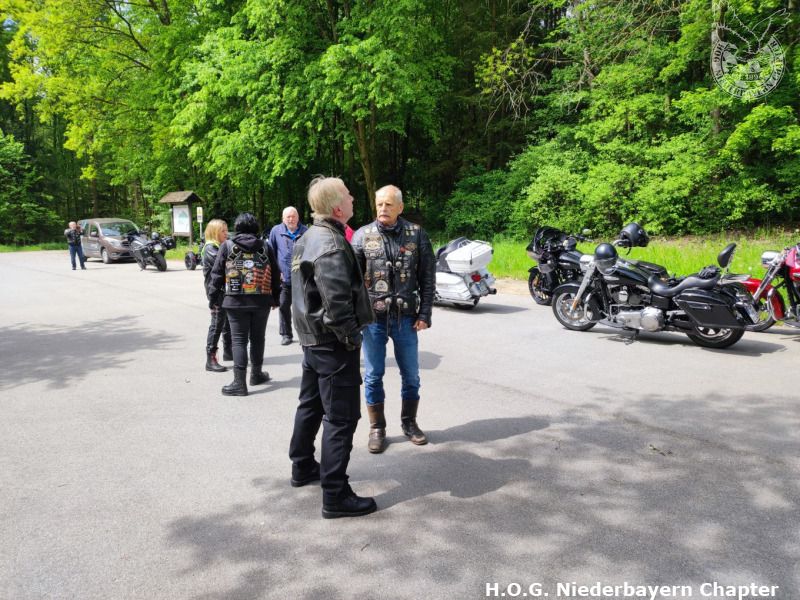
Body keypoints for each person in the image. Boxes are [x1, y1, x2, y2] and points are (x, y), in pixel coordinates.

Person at [288, 176, 377, 519]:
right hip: (331, 343)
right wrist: (352, 339)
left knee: (310, 404)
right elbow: (336, 304)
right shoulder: (330, 243)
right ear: (338, 208)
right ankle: (335, 494)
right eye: (348, 195)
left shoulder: (306, 237)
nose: (353, 197)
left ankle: (302, 466)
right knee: (341, 417)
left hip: (312, 340)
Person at [351, 185, 436, 454]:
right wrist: (355, 317)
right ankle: (377, 428)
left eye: (388, 204)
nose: (383, 209)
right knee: (373, 375)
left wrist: (425, 314)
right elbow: (352, 282)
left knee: (411, 375)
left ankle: (409, 423)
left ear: (400, 207)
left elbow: (428, 277)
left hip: (406, 319)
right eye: (379, 204)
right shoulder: (362, 236)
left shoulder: (417, 234)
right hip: (373, 320)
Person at [208, 212, 280, 396]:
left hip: (235, 301)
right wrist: (275, 298)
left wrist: (213, 299)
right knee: (258, 338)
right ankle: (256, 374)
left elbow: (216, 274)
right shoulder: (265, 246)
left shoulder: (227, 246)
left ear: (237, 227)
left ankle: (239, 382)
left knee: (239, 340)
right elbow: (275, 272)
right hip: (262, 300)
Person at [267, 206, 308, 346]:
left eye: (293, 216)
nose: (291, 219)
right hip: (284, 278)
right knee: (283, 306)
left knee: (302, 309)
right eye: (288, 217)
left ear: (298, 217)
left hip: (302, 279)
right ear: (283, 219)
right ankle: (286, 334)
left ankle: (305, 335)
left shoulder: (306, 231)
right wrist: (275, 273)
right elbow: (271, 253)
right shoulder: (276, 231)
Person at [202, 219, 233, 373]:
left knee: (226, 322)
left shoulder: (220, 246)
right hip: (216, 292)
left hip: (223, 291)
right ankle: (210, 359)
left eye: (226, 230)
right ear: (215, 232)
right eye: (223, 231)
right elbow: (224, 264)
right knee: (216, 324)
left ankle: (229, 352)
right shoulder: (210, 248)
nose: (226, 234)